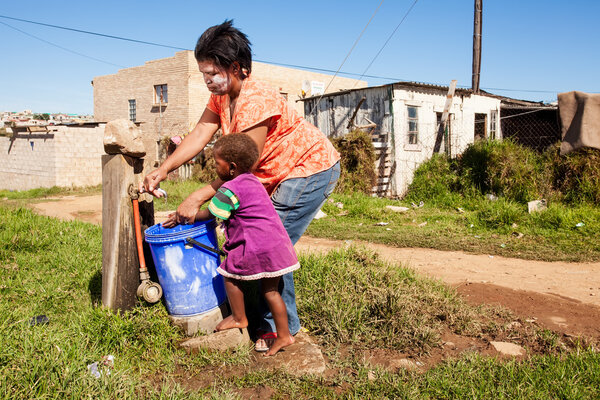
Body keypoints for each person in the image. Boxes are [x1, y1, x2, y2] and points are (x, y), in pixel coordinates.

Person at [140, 20, 340, 352]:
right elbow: (200, 133)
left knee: (268, 246)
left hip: (308, 169)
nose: (207, 80)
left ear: (235, 68)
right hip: (271, 175)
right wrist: (164, 169)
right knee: (261, 244)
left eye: (211, 73)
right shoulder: (221, 96)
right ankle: (266, 321)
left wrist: (200, 194)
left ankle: (280, 330)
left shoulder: (256, 99)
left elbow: (241, 169)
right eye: (203, 73)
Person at [165, 133, 298, 356]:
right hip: (278, 246)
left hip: (255, 247)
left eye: (218, 163)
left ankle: (239, 317)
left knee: (229, 274)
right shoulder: (254, 181)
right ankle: (284, 336)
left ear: (232, 167)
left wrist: (186, 217)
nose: (215, 168)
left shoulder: (229, 189)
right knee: (271, 291)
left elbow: (211, 214)